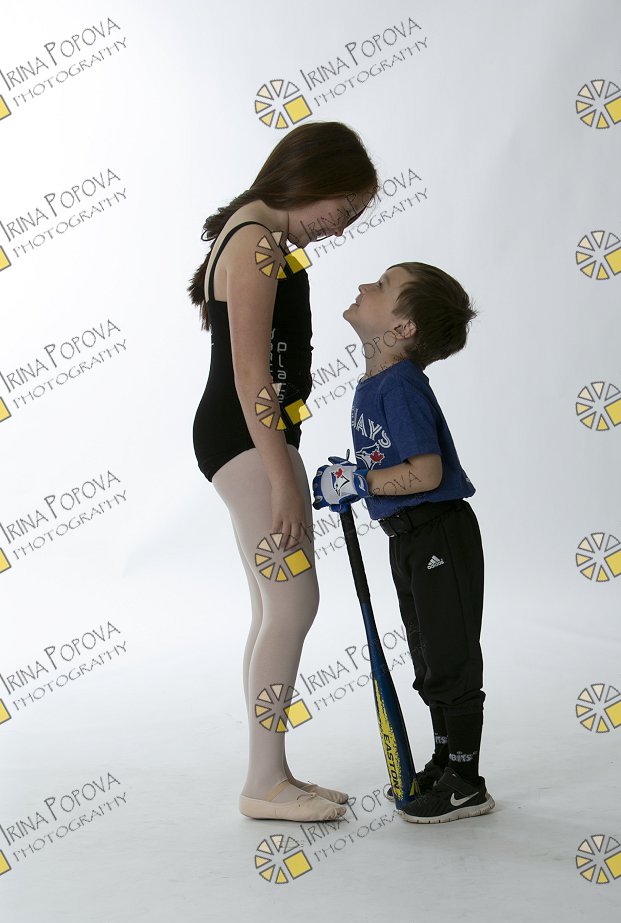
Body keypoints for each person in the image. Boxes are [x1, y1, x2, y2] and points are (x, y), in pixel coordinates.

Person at [188, 121, 378, 822]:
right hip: (246, 438)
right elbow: (251, 377)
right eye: (343, 208)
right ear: (312, 179)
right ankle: (263, 784)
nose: (340, 227)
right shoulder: (255, 243)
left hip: (248, 437)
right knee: (293, 605)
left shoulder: (255, 236)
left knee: (275, 607)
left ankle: (272, 774)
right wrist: (282, 479)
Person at [312, 263, 494, 823]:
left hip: (439, 532)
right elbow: (384, 466)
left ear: (403, 328)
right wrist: (349, 479)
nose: (365, 285)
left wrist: (359, 482)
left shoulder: (400, 385)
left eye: (383, 285)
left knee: (450, 657)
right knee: (428, 656)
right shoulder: (375, 385)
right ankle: (444, 760)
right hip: (408, 538)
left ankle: (466, 781)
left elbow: (426, 472)